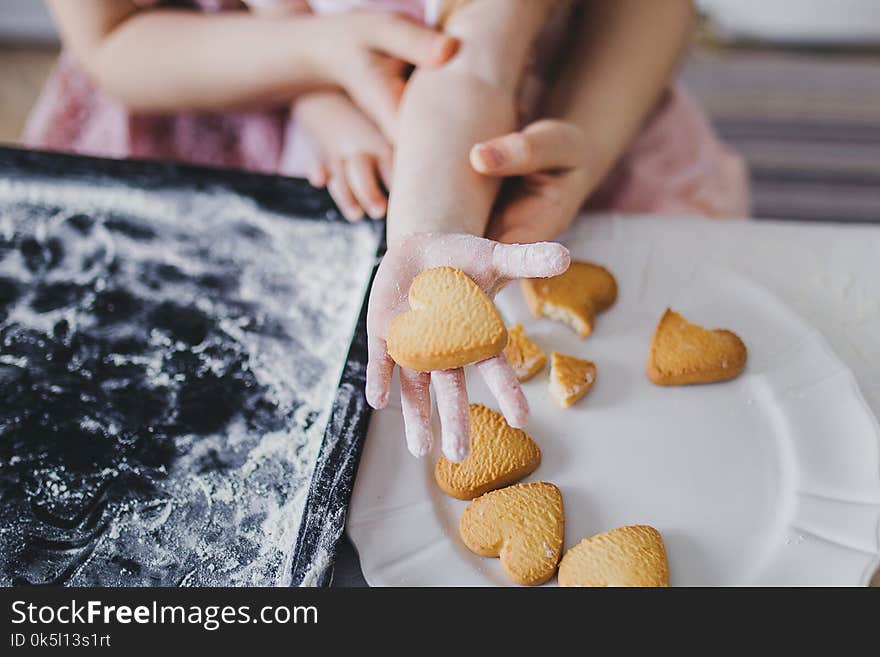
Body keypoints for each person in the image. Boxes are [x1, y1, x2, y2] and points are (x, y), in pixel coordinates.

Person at [29, 0, 748, 462]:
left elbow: (473, 65)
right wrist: (310, 65)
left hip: (531, 111)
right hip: (213, 92)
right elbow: (113, 36)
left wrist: (429, 237)